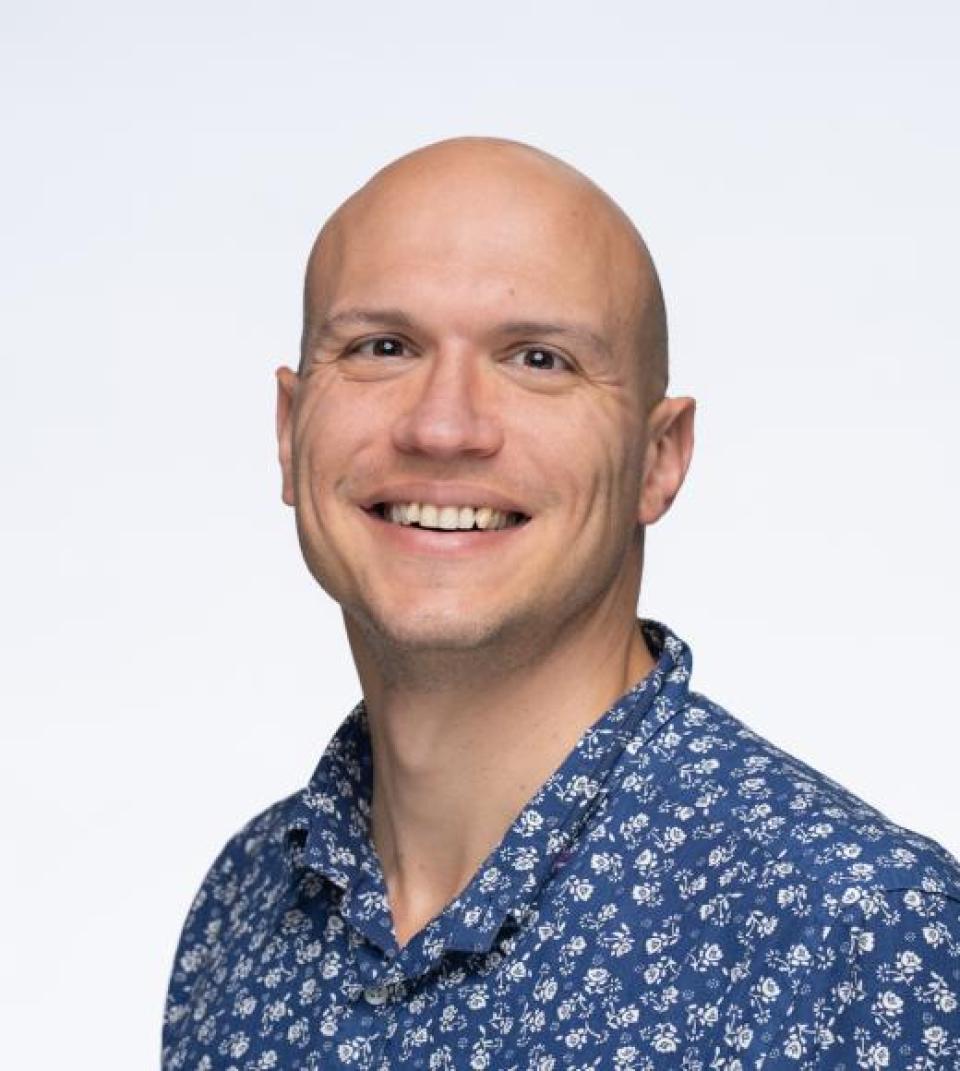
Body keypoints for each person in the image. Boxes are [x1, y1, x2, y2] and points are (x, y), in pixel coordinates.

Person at [162, 138, 960, 1070]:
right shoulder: (244, 905)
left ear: (659, 458)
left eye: (537, 359)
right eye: (383, 347)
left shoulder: (859, 935)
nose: (443, 426)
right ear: (291, 428)